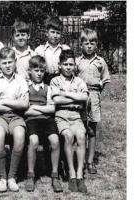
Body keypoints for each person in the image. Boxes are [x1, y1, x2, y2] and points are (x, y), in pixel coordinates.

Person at [0, 47, 29, 192]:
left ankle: (12, 176)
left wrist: (4, 102)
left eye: (10, 62)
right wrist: (14, 104)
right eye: (4, 62)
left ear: (15, 62)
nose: (7, 65)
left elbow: (25, 104)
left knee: (19, 135)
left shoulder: (21, 80)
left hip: (16, 117)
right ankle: (2, 177)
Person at [50, 49, 88, 193]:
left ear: (74, 66)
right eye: (65, 64)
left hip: (76, 116)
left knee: (81, 136)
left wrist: (64, 93)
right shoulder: (55, 80)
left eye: (71, 64)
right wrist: (74, 98)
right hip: (61, 116)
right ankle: (71, 173)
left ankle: (79, 175)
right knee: (68, 136)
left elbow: (84, 97)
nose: (68, 67)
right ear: (60, 65)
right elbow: (56, 100)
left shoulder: (79, 81)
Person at [24, 55, 62, 193]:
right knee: (33, 141)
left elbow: (51, 109)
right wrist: (39, 109)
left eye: (41, 71)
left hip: (47, 120)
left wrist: (35, 108)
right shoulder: (25, 87)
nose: (39, 73)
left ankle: (55, 175)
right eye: (36, 70)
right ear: (30, 71)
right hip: (31, 120)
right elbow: (24, 110)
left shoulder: (48, 88)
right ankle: (30, 175)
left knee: (55, 140)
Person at [75, 28, 110, 174]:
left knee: (92, 130)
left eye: (92, 43)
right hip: (81, 96)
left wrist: (96, 94)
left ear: (96, 45)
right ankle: (81, 160)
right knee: (81, 128)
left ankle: (90, 161)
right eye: (86, 43)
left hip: (94, 96)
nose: (89, 46)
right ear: (81, 44)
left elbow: (105, 80)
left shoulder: (100, 61)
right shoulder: (77, 61)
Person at [34, 16, 70, 85]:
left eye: (58, 33)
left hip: (61, 82)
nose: (55, 35)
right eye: (52, 32)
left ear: (61, 34)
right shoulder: (40, 50)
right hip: (44, 81)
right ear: (47, 33)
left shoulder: (65, 49)